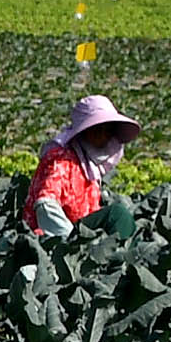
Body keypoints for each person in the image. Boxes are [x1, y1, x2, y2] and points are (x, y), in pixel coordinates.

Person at [19, 92, 141, 237]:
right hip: (56, 236)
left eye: (106, 130)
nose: (102, 135)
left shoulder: (90, 164)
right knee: (117, 214)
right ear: (84, 131)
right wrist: (70, 241)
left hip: (80, 231)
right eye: (96, 129)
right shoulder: (62, 160)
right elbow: (45, 204)